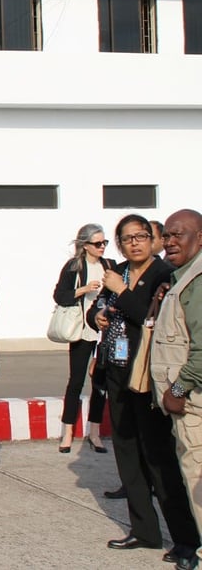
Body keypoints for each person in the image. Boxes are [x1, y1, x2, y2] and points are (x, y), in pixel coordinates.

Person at [87, 213, 199, 562]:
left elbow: (145, 315)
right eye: (126, 238)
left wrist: (122, 293)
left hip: (148, 379)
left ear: (152, 241)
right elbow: (97, 307)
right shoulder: (116, 272)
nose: (133, 243)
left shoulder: (164, 275)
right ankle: (144, 531)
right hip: (118, 374)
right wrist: (98, 316)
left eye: (140, 236)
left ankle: (185, 539)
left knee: (159, 460)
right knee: (127, 455)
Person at [153, 209, 202, 570]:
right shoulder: (180, 279)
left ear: (200, 239)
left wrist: (179, 389)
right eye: (167, 235)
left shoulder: (197, 282)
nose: (170, 242)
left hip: (194, 402)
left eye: (179, 235)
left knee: (199, 479)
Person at [52, 223, 113, 454]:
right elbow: (60, 295)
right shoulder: (74, 266)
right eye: (97, 243)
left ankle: (95, 432)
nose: (102, 247)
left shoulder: (110, 266)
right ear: (85, 245)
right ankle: (67, 432)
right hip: (81, 329)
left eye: (104, 243)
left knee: (100, 382)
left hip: (104, 330)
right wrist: (83, 289)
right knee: (76, 380)